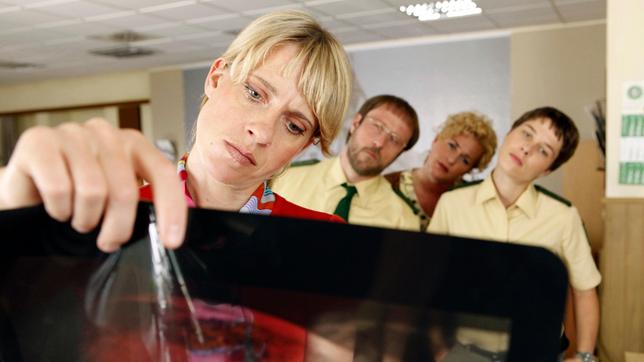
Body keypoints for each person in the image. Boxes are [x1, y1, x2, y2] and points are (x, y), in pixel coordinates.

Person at [0, 9, 352, 251]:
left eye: (293, 125)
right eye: (254, 93)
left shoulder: (321, 239)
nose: (261, 132)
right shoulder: (103, 215)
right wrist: (16, 218)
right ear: (216, 78)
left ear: (305, 144)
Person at [428, 107, 600, 362]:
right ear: (509, 134)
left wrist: (585, 356)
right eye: (526, 135)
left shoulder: (563, 216)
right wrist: (435, 347)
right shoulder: (452, 204)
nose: (527, 149)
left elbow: (585, 291)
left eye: (544, 150)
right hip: (464, 352)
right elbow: (430, 279)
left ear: (547, 170)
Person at [271, 95, 420, 231]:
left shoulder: (403, 221)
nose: (379, 142)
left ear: (400, 152)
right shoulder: (284, 179)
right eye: (377, 126)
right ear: (356, 123)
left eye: (394, 139)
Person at [385, 111, 497, 231]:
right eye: (452, 146)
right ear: (436, 139)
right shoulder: (388, 185)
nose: (451, 159)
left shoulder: (471, 201)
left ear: (469, 170)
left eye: (465, 160)